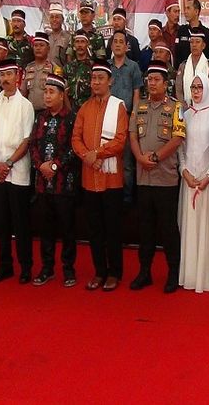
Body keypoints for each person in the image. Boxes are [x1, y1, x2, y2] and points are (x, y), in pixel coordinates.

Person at [129, 61, 185, 293]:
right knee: (145, 229)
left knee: (168, 229)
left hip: (166, 178)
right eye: (149, 80)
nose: (151, 84)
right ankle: (145, 272)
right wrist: (140, 158)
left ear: (166, 83)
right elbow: (132, 136)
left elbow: (178, 137)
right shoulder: (139, 107)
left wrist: (155, 158)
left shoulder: (175, 107)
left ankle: (173, 273)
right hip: (143, 178)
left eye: (156, 80)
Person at [71, 60, 127, 292]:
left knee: (112, 228)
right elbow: (75, 138)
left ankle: (114, 272)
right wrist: (87, 156)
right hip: (89, 177)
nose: (95, 82)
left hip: (111, 179)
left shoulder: (119, 107)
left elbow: (120, 139)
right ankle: (99, 272)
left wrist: (97, 154)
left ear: (110, 81)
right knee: (94, 229)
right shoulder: (84, 108)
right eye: (93, 78)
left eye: (100, 78)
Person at [0, 59, 35, 284]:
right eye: (2, 75)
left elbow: (26, 140)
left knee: (20, 222)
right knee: (1, 223)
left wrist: (9, 164)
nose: (5, 79)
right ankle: (4, 266)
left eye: (9, 75)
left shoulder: (25, 105)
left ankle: (25, 267)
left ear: (18, 77)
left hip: (18, 171)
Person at [29, 74, 80, 287]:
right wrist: (40, 165)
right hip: (42, 183)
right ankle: (47, 268)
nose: (47, 96)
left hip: (64, 183)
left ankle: (68, 269)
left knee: (68, 229)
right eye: (45, 92)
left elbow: (74, 148)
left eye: (51, 92)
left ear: (62, 95)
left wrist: (56, 165)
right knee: (45, 229)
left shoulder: (71, 118)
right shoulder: (40, 117)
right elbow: (32, 145)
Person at [177, 73, 209, 293]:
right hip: (189, 180)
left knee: (206, 226)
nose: (196, 91)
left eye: (199, 87)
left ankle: (206, 275)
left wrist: (208, 176)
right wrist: (184, 171)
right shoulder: (185, 115)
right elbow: (180, 147)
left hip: (207, 181)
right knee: (191, 226)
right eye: (193, 87)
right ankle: (190, 275)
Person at [109, 29, 143, 204]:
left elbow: (137, 93)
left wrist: (134, 117)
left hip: (128, 117)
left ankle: (128, 198)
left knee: (128, 162)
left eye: (121, 41)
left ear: (127, 45)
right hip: (107, 119)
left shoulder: (134, 67)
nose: (118, 44)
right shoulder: (106, 66)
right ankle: (111, 194)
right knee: (109, 158)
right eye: (115, 41)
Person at [21, 32, 63, 113]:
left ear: (48, 48)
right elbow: (23, 93)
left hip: (46, 113)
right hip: (29, 112)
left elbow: (59, 95)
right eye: (36, 46)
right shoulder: (28, 68)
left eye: (41, 45)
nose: (38, 48)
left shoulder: (54, 68)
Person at [175, 29, 209, 104]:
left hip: (204, 106)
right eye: (191, 42)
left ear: (203, 45)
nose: (194, 45)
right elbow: (178, 89)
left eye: (197, 42)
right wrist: (184, 106)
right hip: (185, 108)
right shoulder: (183, 65)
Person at [175, 0, 209, 67]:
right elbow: (177, 54)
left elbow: (207, 55)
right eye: (185, 8)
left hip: (200, 72)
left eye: (188, 8)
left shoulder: (206, 32)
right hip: (184, 72)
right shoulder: (181, 30)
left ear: (196, 11)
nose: (185, 12)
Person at [64, 30, 95, 110]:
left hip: (88, 108)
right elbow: (64, 92)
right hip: (70, 108)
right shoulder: (68, 67)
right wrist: (70, 110)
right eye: (77, 42)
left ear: (87, 44)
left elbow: (94, 91)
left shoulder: (93, 66)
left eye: (82, 42)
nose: (80, 45)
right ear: (74, 45)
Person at [47, 2, 71, 68]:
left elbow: (70, 61)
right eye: (52, 17)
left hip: (61, 75)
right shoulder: (46, 37)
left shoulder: (68, 37)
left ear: (62, 19)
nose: (54, 20)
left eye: (57, 17)